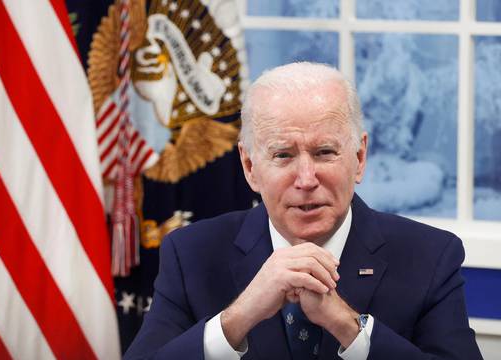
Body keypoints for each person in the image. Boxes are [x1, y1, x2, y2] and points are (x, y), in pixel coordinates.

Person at [124, 62, 482, 359]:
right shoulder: (191, 254)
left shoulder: (430, 256)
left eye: (325, 152)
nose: (306, 179)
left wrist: (347, 325)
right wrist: (237, 318)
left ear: (359, 158)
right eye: (283, 155)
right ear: (250, 167)